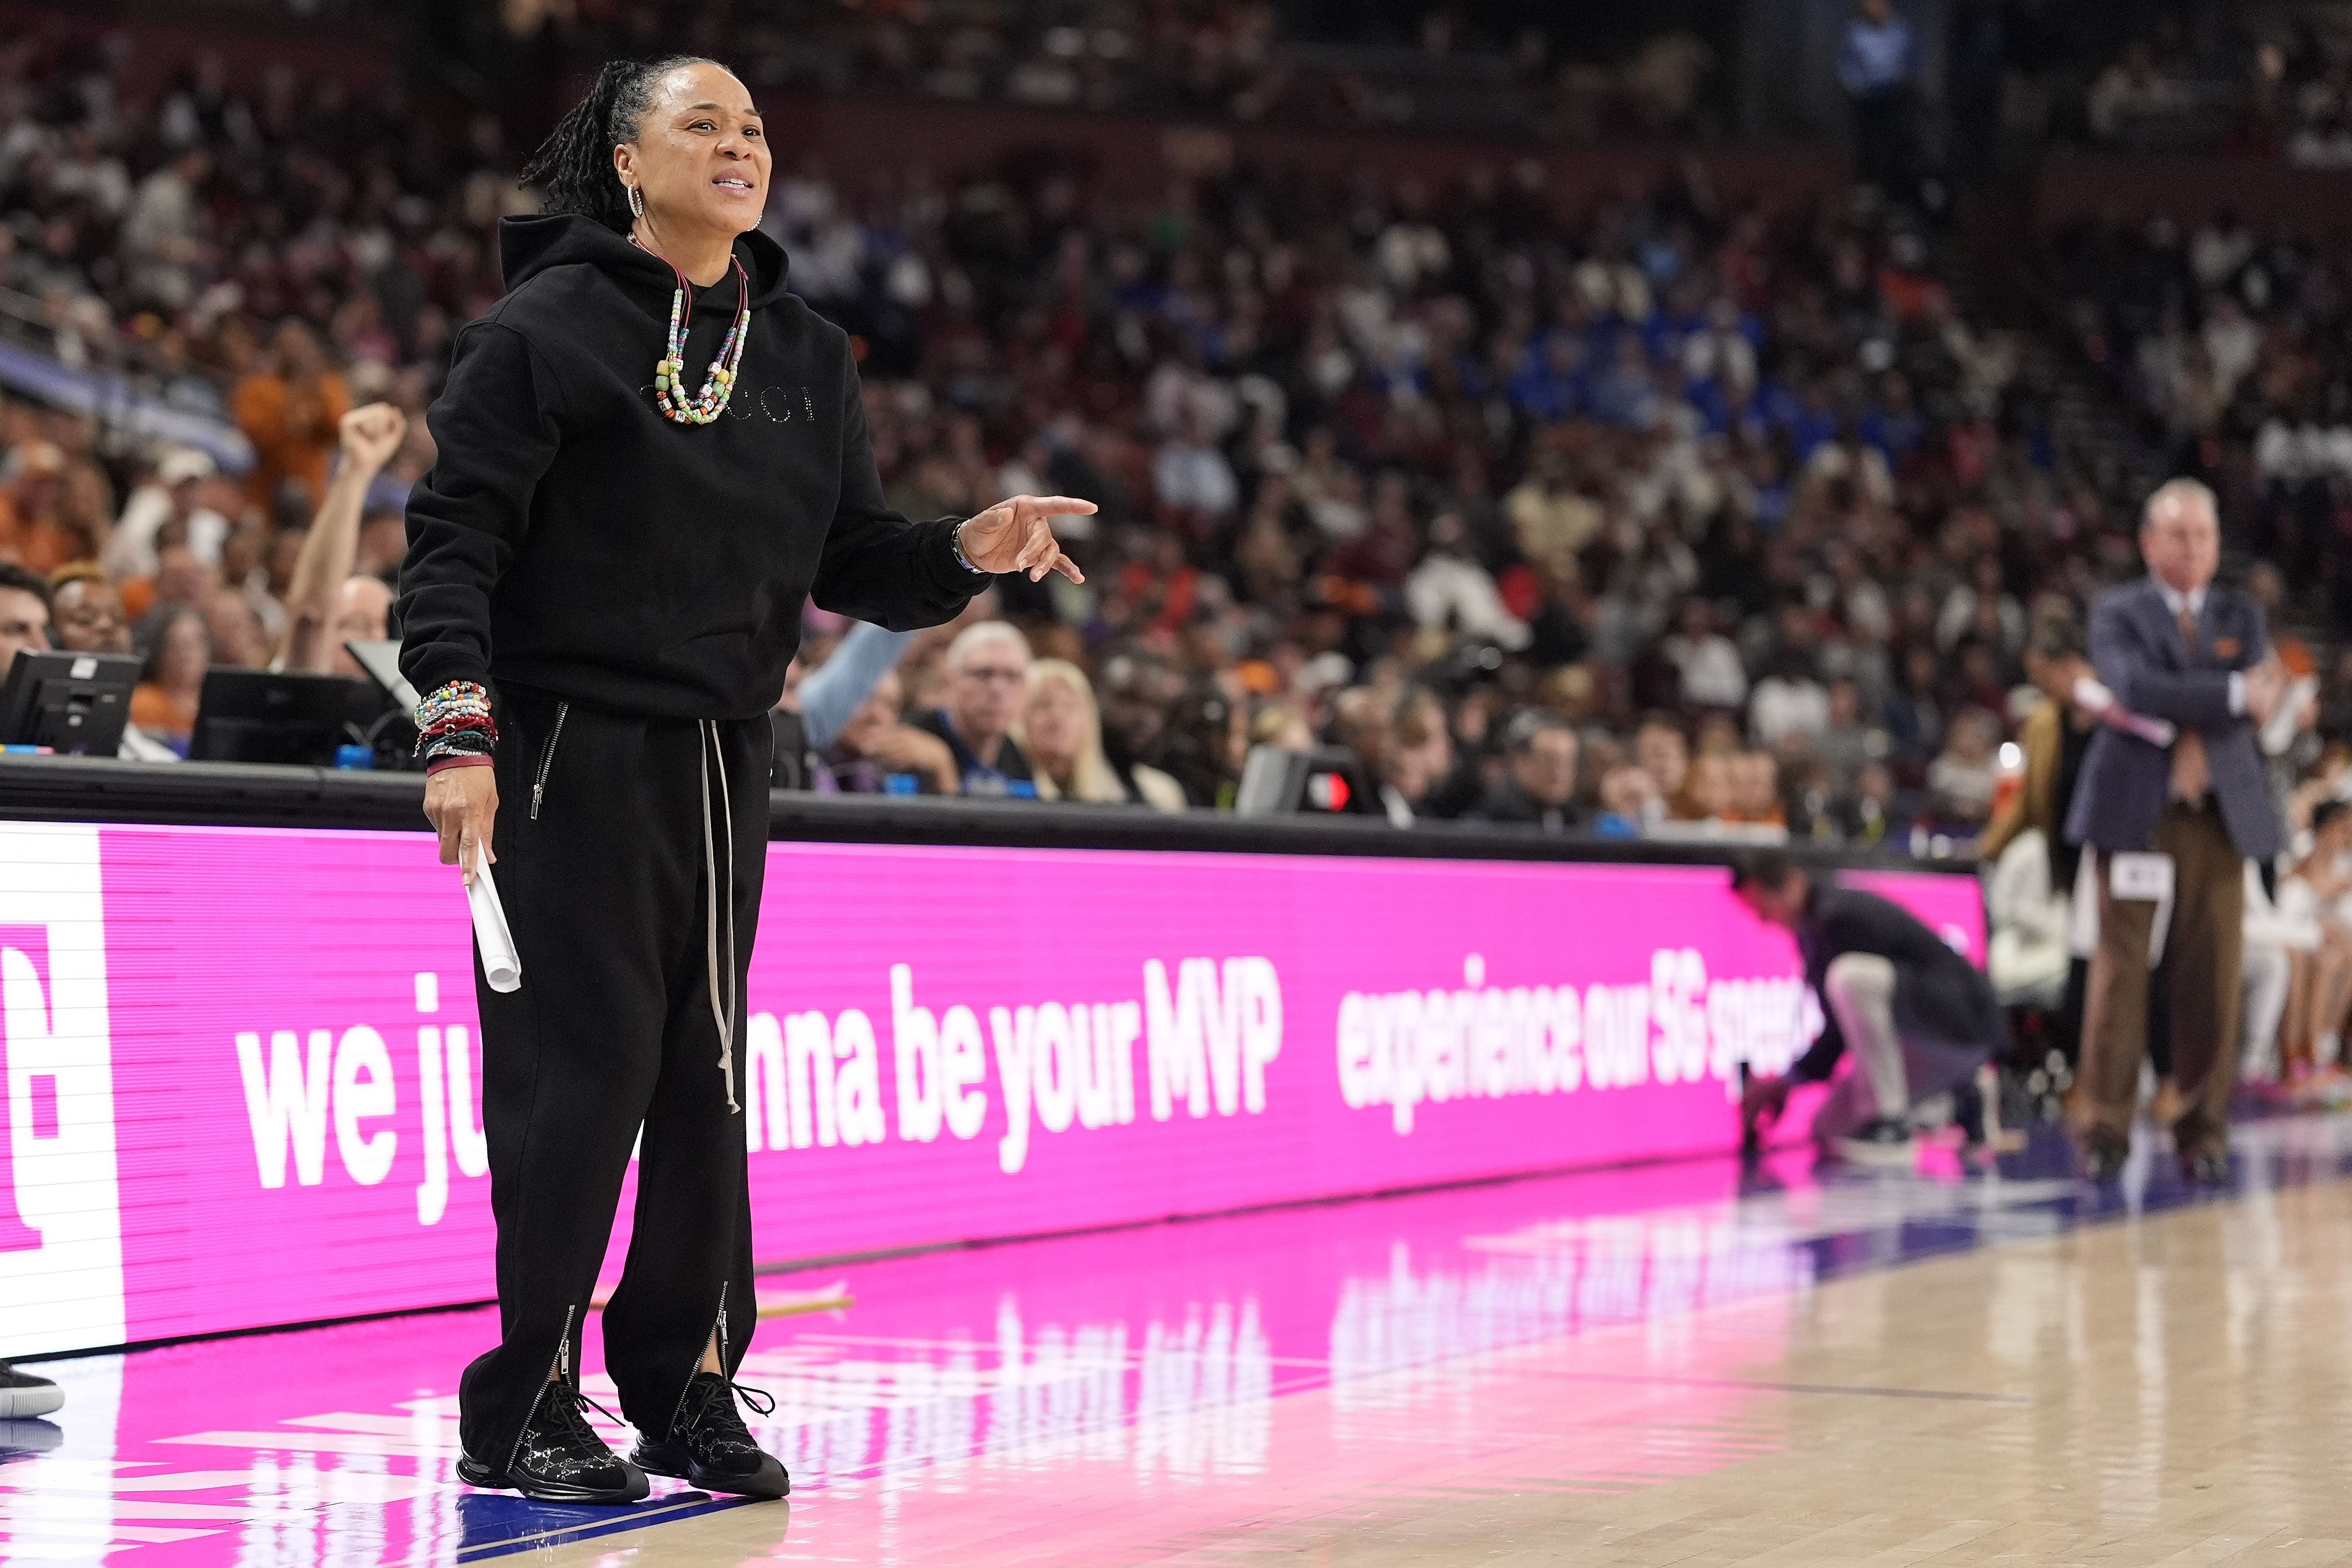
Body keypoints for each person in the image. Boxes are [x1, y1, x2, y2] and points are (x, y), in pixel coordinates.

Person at [396, 55, 1089, 1507]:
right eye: (700, 124)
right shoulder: (538, 333)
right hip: (563, 747)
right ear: (628, 165)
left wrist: (968, 546)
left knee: (706, 1086)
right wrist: (459, 732)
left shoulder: (806, 356)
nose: (740, 146)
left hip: (725, 760)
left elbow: (854, 563)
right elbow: (452, 542)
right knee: (574, 1085)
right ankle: (523, 1399)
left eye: (756, 127)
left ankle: (686, 1383)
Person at [2065, 479, 2285, 1182]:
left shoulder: (2241, 614)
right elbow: (2132, 687)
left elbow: (2260, 699)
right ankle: (2105, 1127)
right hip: (2137, 805)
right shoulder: (2117, 610)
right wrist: (2223, 693)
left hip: (2216, 808)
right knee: (2119, 972)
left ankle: (2203, 1129)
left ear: (2218, 544)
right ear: (2149, 542)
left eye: (2204, 536)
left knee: (2212, 973)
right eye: (2179, 535)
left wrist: (2221, 699)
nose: (2192, 548)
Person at [1732, 848, 2001, 1166]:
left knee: (1850, 978)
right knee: (1828, 1127)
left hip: (1960, 1028)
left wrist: (1790, 1079)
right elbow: (1839, 1032)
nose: (1763, 921)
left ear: (1791, 884)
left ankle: (1892, 1123)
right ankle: (1957, 1104)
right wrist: (1788, 1081)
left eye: (1763, 906)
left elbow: (1840, 1030)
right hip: (1922, 1043)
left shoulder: (1837, 916)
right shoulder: (1814, 926)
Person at [277, 401, 408, 676]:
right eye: (356, 624)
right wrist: (356, 471)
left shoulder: (415, 707)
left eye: (386, 626)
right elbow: (312, 612)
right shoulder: (308, 676)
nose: (376, 639)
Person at [50, 563, 181, 761]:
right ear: (50, 640)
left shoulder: (165, 762)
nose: (107, 626)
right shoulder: (23, 748)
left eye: (119, 619)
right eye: (85, 619)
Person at [1021, 658, 1182, 809]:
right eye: (1043, 705)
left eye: (1070, 707)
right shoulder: (1010, 786)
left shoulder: (1123, 791)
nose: (1058, 718)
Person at [913, 620, 1036, 797]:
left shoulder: (1015, 755)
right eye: (984, 674)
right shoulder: (914, 741)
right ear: (952, 680)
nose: (998, 690)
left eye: (1012, 676)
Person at [1838, 0, 1918, 190]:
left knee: (1892, 140)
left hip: (1893, 95)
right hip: (1865, 96)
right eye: (1870, 4)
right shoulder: (1855, 31)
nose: (1876, 7)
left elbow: (1912, 59)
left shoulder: (1901, 30)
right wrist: (1855, 85)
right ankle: (1865, 183)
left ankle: (1891, 184)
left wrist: (1908, 80)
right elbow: (1846, 62)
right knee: (1865, 140)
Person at [1469, 710, 1582, 832]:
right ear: (1519, 761)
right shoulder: (1492, 822)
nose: (1559, 773)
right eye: (1549, 761)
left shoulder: (1574, 816)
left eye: (1568, 762)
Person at [129, 605, 209, 756]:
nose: (186, 655)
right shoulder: (142, 704)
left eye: (195, 643)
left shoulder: (219, 705)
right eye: (175, 645)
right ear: (158, 653)